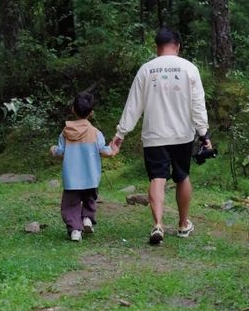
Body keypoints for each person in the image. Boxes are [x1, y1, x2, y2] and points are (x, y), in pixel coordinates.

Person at [111, 26, 211, 245]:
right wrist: (204, 134)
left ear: (157, 47)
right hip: (182, 135)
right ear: (178, 45)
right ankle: (183, 224)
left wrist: (120, 134)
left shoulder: (147, 69)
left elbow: (133, 106)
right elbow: (198, 105)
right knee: (182, 176)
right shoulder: (189, 69)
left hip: (154, 134)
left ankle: (158, 224)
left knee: (157, 177)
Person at [50, 90, 118, 242]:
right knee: (89, 198)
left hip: (71, 178)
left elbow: (60, 152)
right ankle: (87, 218)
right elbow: (104, 151)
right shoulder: (96, 133)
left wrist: (53, 149)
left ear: (73, 110)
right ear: (91, 113)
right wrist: (114, 150)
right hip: (91, 177)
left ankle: (75, 230)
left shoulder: (65, 133)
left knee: (70, 204)